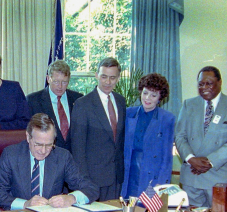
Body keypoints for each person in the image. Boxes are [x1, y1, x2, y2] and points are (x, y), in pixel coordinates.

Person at [0, 113, 99, 210]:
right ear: (28, 137)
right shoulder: (11, 155)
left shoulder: (62, 157)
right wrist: (25, 204)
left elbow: (91, 188)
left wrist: (71, 198)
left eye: (49, 145)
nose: (43, 151)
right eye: (38, 144)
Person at [175, 66, 227, 208]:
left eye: (209, 83)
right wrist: (191, 159)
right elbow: (180, 136)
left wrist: (210, 162)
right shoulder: (189, 104)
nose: (204, 87)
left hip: (219, 176)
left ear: (219, 83)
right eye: (201, 84)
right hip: (191, 177)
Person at [70, 57, 126, 201]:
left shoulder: (120, 101)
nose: (108, 82)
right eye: (104, 77)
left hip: (116, 177)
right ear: (96, 75)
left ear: (118, 78)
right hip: (93, 179)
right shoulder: (83, 104)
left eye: (112, 78)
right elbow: (78, 147)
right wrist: (83, 180)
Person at [121, 73, 176, 198]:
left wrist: (161, 185)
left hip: (151, 175)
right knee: (126, 210)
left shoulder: (167, 119)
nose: (148, 98)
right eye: (145, 93)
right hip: (128, 173)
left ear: (160, 98)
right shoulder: (128, 113)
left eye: (153, 95)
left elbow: (167, 157)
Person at [28, 60, 83, 152]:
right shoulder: (33, 100)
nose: (60, 86)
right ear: (48, 79)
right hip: (47, 155)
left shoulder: (78, 99)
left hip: (74, 158)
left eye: (64, 82)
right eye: (56, 82)